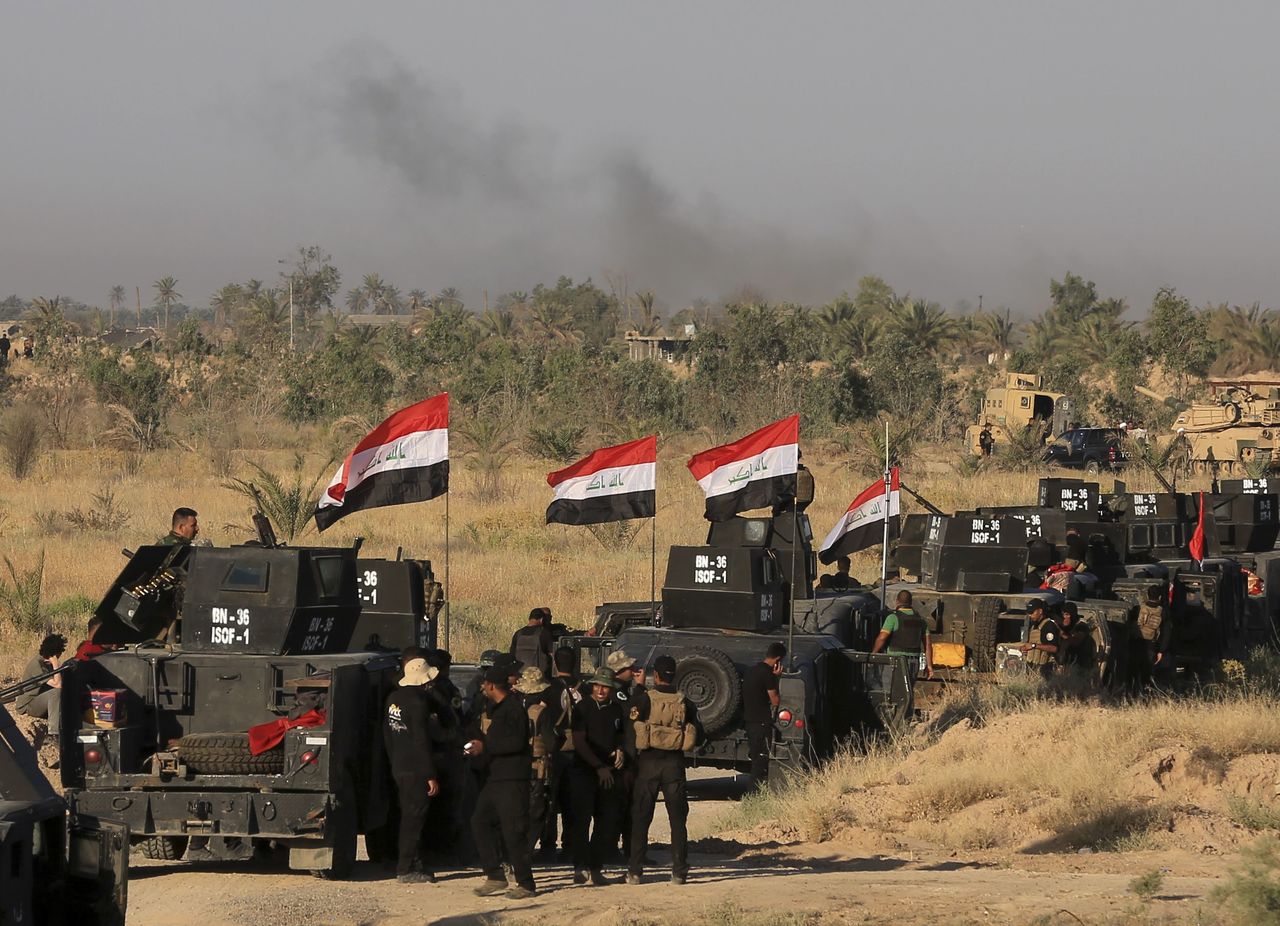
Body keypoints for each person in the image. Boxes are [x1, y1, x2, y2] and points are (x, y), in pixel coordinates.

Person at [626, 655, 701, 886]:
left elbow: (631, 725)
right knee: (677, 821)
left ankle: (635, 871)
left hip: (648, 763)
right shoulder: (685, 703)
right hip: (674, 765)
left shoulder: (644, 699)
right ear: (674, 676)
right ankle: (679, 871)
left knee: (641, 818)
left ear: (655, 675)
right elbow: (699, 734)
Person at [466, 666, 537, 899]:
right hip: (495, 778)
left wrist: (485, 747)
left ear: (492, 686)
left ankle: (526, 883)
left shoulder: (514, 709)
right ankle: (495, 875)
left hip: (512, 779)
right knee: (480, 821)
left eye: (485, 684)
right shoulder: (497, 710)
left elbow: (517, 743)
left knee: (513, 831)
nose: (483, 688)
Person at [383, 656, 442, 883]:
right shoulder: (418, 702)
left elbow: (388, 735)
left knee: (406, 816)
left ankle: (409, 862)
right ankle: (406, 867)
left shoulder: (393, 699)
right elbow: (421, 740)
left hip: (399, 765)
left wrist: (393, 761)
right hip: (417, 770)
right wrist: (430, 774)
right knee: (414, 819)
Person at [569, 666, 626, 886]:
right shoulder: (583, 707)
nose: (601, 690)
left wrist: (620, 749)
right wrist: (597, 766)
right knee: (581, 821)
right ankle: (580, 866)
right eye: (598, 685)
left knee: (606, 822)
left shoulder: (616, 710)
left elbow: (620, 734)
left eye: (606, 687)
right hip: (585, 771)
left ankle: (596, 868)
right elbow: (579, 741)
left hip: (609, 773)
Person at [513, 667, 561, 856]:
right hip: (535, 771)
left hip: (513, 768)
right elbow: (551, 743)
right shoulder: (541, 712)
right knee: (537, 813)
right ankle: (524, 853)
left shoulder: (511, 707)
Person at [546, 645, 582, 861]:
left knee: (549, 800)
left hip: (554, 749)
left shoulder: (547, 688)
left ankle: (548, 846)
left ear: (555, 663)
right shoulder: (584, 688)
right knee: (573, 802)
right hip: (578, 749)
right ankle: (570, 846)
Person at [742, 642, 786, 791]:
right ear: (778, 660)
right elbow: (775, 700)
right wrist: (777, 678)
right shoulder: (767, 674)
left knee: (756, 759)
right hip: (761, 722)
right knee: (761, 763)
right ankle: (753, 794)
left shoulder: (751, 670)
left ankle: (754, 792)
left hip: (749, 721)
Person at [871, 590, 935, 688]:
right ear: (911, 602)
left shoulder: (893, 618)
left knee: (889, 692)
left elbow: (882, 638)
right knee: (906, 692)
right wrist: (929, 665)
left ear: (897, 601)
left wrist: (874, 653)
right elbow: (927, 645)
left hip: (894, 661)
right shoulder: (921, 621)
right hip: (913, 663)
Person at [15, 634, 66, 739]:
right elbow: (57, 685)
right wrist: (56, 664)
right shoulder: (37, 665)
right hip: (28, 704)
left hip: (41, 699)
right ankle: (53, 733)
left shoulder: (46, 663)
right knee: (56, 692)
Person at [1136, 584, 1170, 690]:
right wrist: (1161, 651)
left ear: (1147, 595)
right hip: (1151, 645)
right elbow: (1166, 633)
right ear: (1160, 597)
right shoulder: (1162, 612)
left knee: (1135, 669)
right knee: (1147, 672)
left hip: (1136, 643)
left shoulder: (1139, 608)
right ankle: (1145, 692)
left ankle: (1133, 690)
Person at [1019, 598, 1060, 680]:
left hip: (1045, 670)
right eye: (1029, 613)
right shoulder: (1035, 626)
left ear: (1040, 611)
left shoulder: (1048, 626)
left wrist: (1034, 646)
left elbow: (1054, 648)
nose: (1030, 615)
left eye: (1032, 612)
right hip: (1033, 669)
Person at [510, 608, 553, 677]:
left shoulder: (518, 633)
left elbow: (512, 655)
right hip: (539, 679)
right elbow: (552, 654)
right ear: (542, 620)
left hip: (520, 677)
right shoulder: (544, 633)